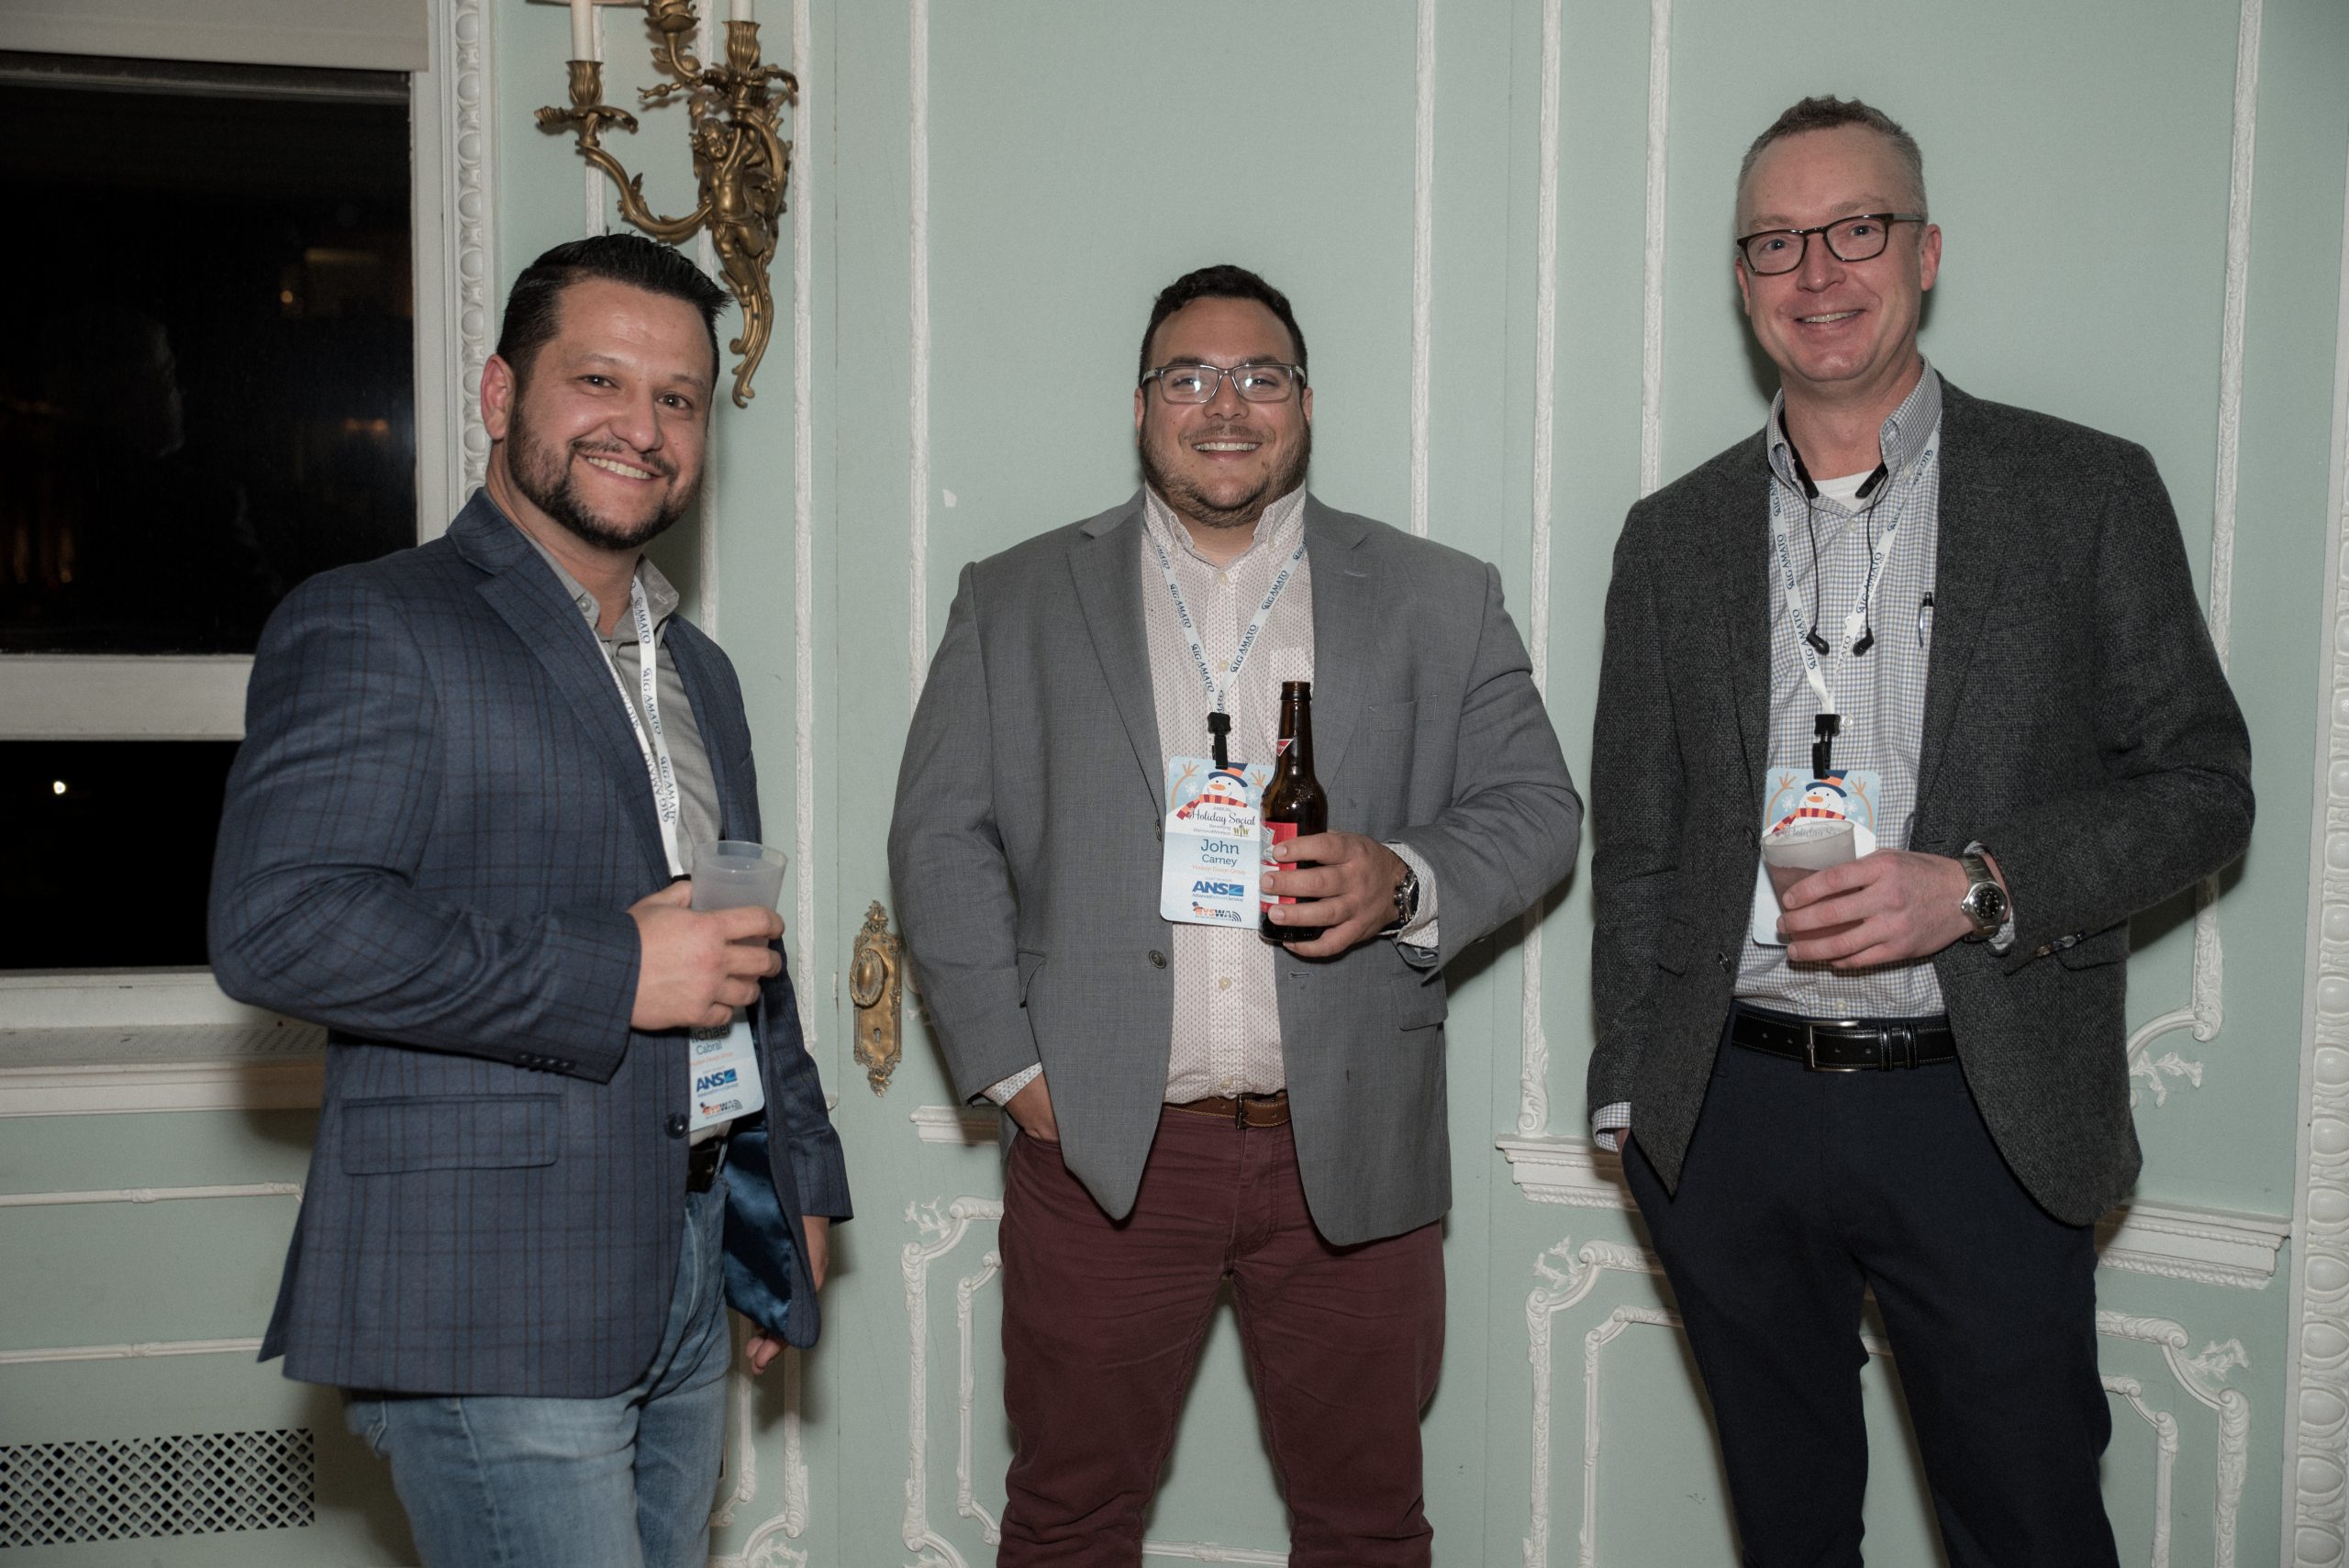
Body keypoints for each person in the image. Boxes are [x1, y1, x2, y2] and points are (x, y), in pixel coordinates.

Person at [1588, 96, 2253, 1567]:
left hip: (1983, 1110)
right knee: (1789, 1535)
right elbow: (1640, 839)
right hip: (1731, 1116)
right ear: (1742, 279)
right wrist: (1632, 1096)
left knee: (2029, 1530)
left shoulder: (2084, 491)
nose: (1818, 271)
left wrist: (1982, 886)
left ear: (1927, 251)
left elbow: (2205, 786)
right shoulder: (1671, 536)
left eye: (1857, 228)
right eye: (1777, 242)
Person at [889, 263, 1581, 1567]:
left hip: (1355, 1148)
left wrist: (1406, 878)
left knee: (1368, 1528)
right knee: (1068, 1521)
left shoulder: (1439, 594)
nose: (1226, 405)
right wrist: (1015, 1070)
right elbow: (939, 838)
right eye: (1189, 377)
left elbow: (1539, 807)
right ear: (1140, 405)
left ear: (1306, 404)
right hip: (1103, 1155)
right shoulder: (1016, 596)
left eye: (1261, 376)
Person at [209, 233, 850, 1568]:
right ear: (502, 395)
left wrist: (797, 1176)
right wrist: (615, 971)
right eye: (599, 381)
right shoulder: (375, 620)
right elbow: (281, 925)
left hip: (692, 1248)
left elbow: (738, 946)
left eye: (678, 398)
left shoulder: (702, 672)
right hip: (487, 1285)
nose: (643, 428)